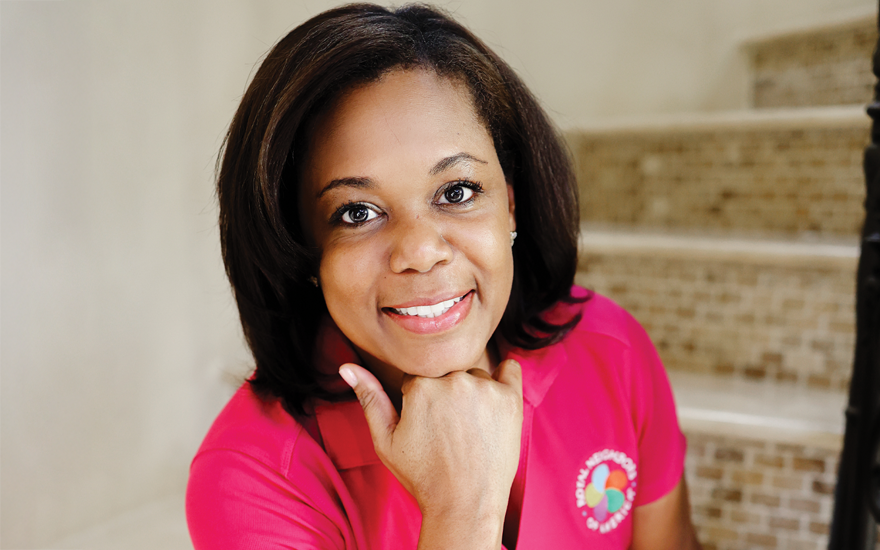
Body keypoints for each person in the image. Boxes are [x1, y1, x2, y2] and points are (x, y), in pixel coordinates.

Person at [186, 3, 702, 549]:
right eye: (357, 212)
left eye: (457, 193)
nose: (421, 252)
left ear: (510, 205)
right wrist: (462, 514)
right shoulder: (248, 481)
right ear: (303, 250)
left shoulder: (609, 348)